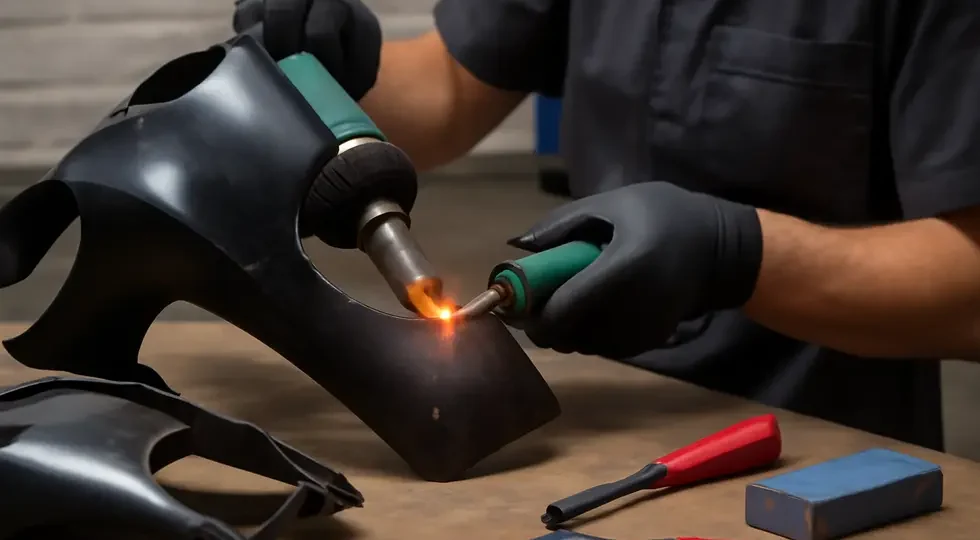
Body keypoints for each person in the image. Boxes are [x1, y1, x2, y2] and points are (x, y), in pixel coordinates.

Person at [233, 0, 980, 451]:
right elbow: (453, 90)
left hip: (811, 450)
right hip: (592, 424)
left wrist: (736, 255)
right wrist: (341, 68)